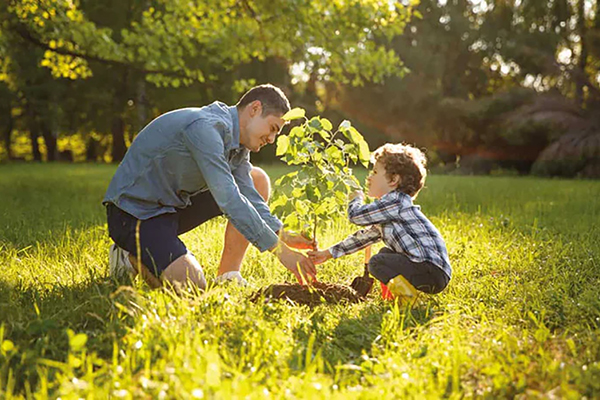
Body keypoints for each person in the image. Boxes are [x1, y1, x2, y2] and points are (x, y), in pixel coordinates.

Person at [103, 84, 317, 290]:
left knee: (256, 179)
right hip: (133, 214)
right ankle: (127, 257)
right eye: (272, 128)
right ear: (255, 108)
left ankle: (228, 275)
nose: (271, 139)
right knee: (192, 287)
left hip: (170, 208)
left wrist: (282, 234)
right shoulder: (206, 128)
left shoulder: (239, 146)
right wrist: (281, 252)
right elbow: (230, 199)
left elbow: (249, 195)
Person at [308, 143, 451, 299]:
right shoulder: (390, 211)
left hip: (430, 269)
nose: (369, 177)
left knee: (377, 262)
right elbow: (362, 238)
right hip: (432, 271)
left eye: (375, 172)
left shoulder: (395, 202)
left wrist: (355, 199)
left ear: (393, 179)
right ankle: (394, 297)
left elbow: (356, 216)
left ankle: (407, 299)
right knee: (385, 254)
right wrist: (327, 254)